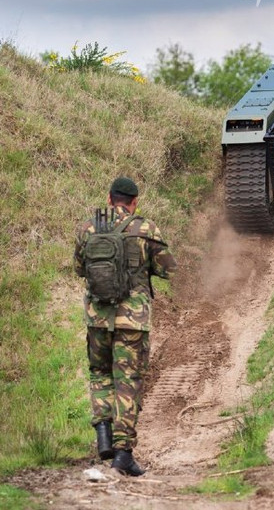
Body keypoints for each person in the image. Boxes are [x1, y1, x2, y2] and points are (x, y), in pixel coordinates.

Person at [73, 176, 176, 476]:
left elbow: (79, 268)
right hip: (132, 321)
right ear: (134, 203)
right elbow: (168, 269)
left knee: (100, 374)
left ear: (109, 199)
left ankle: (103, 437)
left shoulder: (88, 228)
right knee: (127, 381)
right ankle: (123, 454)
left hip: (97, 318)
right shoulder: (145, 229)